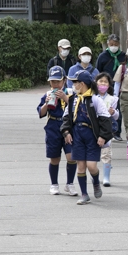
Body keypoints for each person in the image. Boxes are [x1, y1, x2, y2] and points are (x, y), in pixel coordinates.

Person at [60, 70, 113, 205]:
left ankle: (95, 181)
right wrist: (66, 132)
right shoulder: (73, 99)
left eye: (75, 83)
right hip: (77, 135)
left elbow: (105, 119)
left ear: (82, 84)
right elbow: (66, 117)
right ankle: (84, 194)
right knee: (81, 166)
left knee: (91, 166)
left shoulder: (95, 99)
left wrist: (103, 136)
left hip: (91, 136)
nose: (73, 85)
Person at [36, 66, 78, 196]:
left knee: (71, 156)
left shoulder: (71, 92)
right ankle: (54, 184)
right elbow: (40, 113)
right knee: (54, 158)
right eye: (52, 82)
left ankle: (70, 184)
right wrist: (46, 103)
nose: (55, 84)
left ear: (64, 80)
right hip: (53, 126)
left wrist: (65, 98)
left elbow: (76, 108)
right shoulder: (48, 94)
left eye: (58, 81)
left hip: (68, 126)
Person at [95, 72, 120, 187]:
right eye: (101, 81)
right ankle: (94, 175)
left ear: (109, 85)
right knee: (93, 153)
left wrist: (113, 112)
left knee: (106, 153)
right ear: (96, 83)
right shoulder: (92, 97)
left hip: (106, 130)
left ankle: (106, 177)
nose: (103, 84)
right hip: (94, 129)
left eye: (105, 82)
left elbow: (117, 116)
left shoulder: (113, 99)